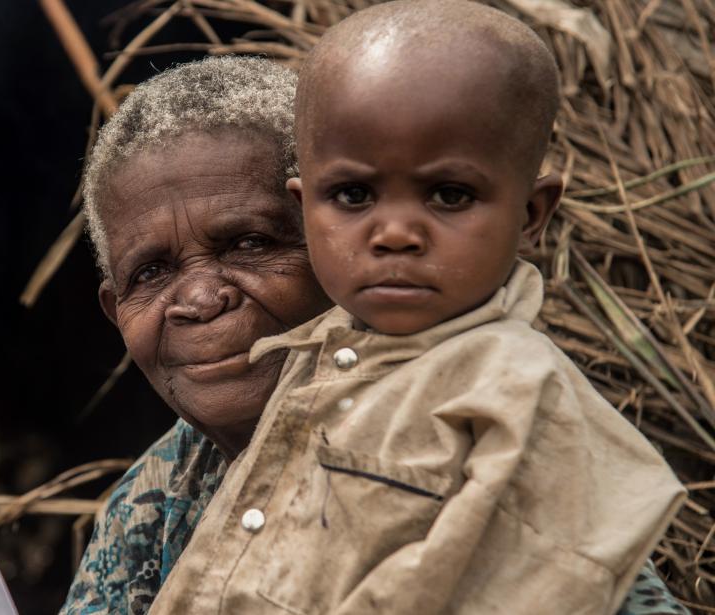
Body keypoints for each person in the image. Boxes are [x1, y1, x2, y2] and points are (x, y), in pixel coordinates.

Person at [0, 56, 688, 615]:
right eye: (152, 273)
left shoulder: (464, 426)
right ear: (114, 311)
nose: (198, 297)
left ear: (337, 238)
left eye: (251, 243)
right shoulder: (146, 506)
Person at [145, 4, 686, 615]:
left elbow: (549, 585)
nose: (396, 232)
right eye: (353, 195)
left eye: (450, 195)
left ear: (532, 215)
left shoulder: (524, 394)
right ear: (305, 209)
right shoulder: (306, 362)